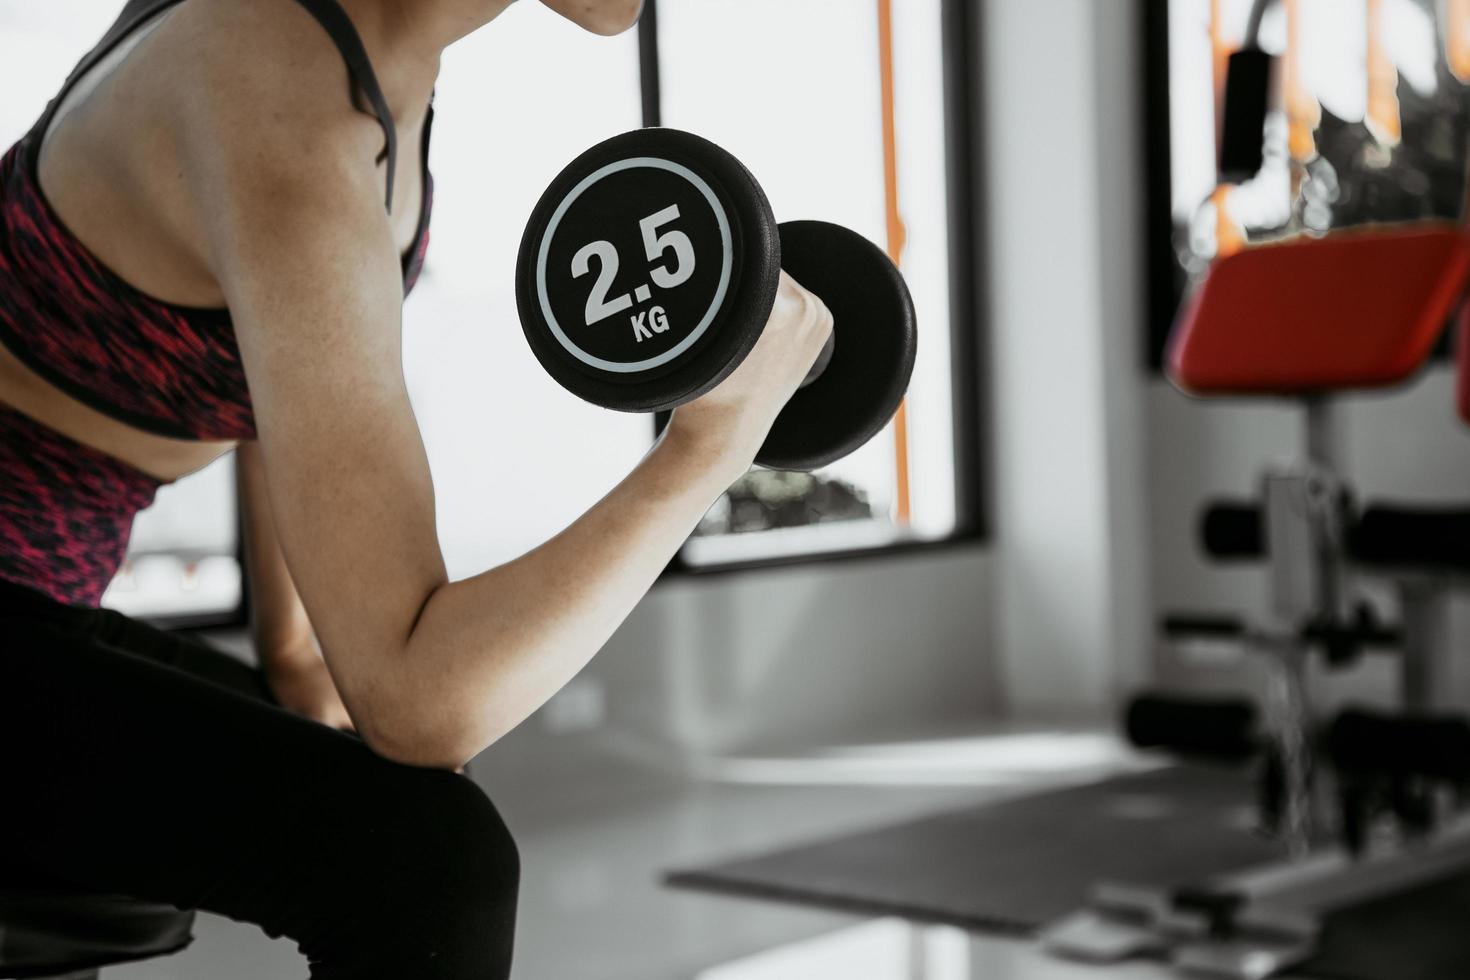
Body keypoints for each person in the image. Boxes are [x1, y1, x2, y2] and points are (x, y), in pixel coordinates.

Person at [0, 0, 833, 975]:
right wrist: (706, 454)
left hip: (42, 594)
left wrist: (298, 656)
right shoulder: (283, 95)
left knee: (378, 787)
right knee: (431, 863)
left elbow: (291, 376)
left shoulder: (373, 63)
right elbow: (415, 697)